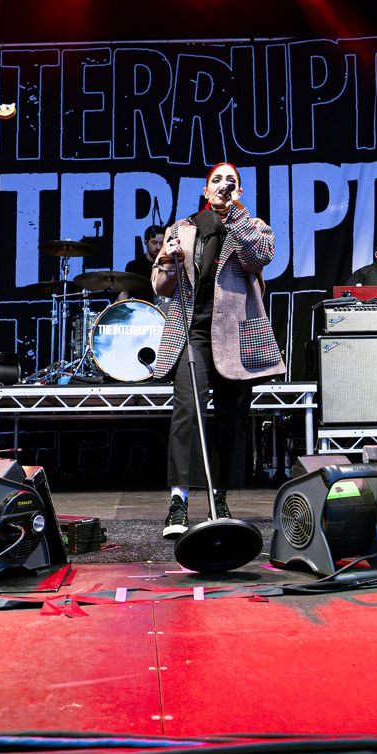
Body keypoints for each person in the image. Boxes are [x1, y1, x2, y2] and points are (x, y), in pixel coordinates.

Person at [152, 162, 283, 539]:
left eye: (232, 182)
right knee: (186, 411)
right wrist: (166, 259)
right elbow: (161, 287)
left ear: (238, 191)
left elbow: (258, 258)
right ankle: (178, 503)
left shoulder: (253, 226)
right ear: (205, 190)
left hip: (235, 335)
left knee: (231, 417)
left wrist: (236, 217)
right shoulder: (181, 228)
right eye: (217, 181)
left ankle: (219, 499)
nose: (224, 186)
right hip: (192, 331)